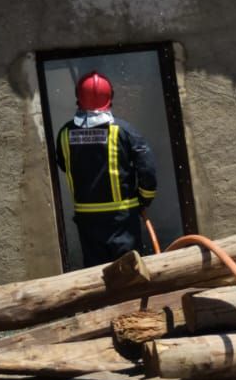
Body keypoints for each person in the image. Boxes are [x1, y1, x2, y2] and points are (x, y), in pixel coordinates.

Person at [54, 71, 159, 264]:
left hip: (87, 219)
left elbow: (63, 164)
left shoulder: (64, 134)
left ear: (79, 99)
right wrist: (144, 198)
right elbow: (147, 168)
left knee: (97, 273)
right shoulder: (124, 131)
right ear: (110, 98)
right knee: (130, 269)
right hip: (122, 218)